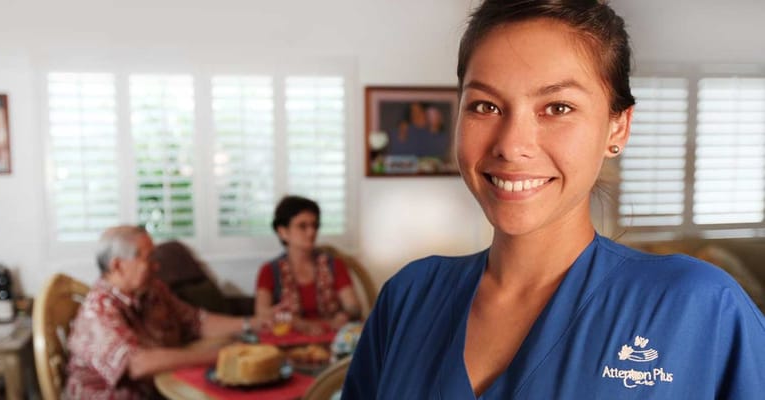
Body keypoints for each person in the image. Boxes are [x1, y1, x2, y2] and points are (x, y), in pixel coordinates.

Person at [343, 1, 765, 399]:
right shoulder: (408, 297)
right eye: (485, 106)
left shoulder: (699, 308)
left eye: (558, 108)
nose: (511, 146)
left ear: (618, 128)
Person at [64, 225, 264, 399]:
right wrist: (220, 356)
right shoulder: (97, 310)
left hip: (161, 391)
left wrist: (255, 323)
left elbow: (196, 321)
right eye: (149, 258)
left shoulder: (153, 289)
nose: (157, 265)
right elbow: (137, 364)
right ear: (117, 265)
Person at [254, 195, 361, 334]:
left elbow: (354, 307)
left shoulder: (334, 265)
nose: (311, 232)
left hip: (332, 338)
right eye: (302, 226)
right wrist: (295, 322)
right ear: (282, 232)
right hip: (288, 341)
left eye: (314, 225)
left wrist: (345, 315)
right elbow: (262, 315)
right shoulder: (268, 271)